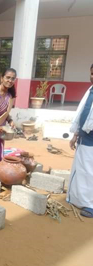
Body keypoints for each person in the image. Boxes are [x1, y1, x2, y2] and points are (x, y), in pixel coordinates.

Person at [67, 64, 93, 218]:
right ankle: (79, 199)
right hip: (84, 138)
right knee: (82, 171)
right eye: (92, 73)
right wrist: (76, 134)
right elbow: (83, 114)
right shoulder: (89, 91)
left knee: (90, 173)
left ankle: (90, 204)